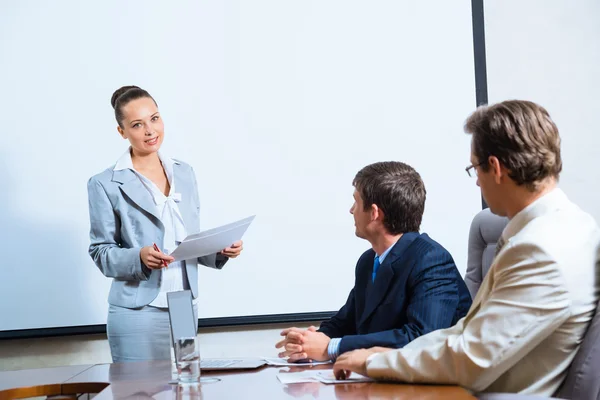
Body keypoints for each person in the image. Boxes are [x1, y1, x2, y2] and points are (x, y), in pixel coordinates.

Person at [333, 100, 600, 396]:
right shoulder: (575, 225)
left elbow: (473, 357)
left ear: (495, 168)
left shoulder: (541, 249)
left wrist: (377, 361)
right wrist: (385, 355)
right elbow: (467, 336)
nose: (476, 183)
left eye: (474, 168)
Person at [87, 85, 244, 362]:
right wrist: (140, 257)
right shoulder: (104, 183)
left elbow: (186, 241)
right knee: (140, 392)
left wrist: (219, 250)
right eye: (137, 124)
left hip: (184, 304)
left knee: (187, 385)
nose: (150, 131)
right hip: (137, 310)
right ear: (122, 132)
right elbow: (101, 251)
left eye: (155, 118)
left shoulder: (184, 172)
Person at [276, 161, 472, 362]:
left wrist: (331, 347)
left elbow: (422, 338)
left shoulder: (431, 260)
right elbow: (346, 322)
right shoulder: (368, 261)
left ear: (374, 213)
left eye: (356, 202)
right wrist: (310, 339)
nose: (351, 210)